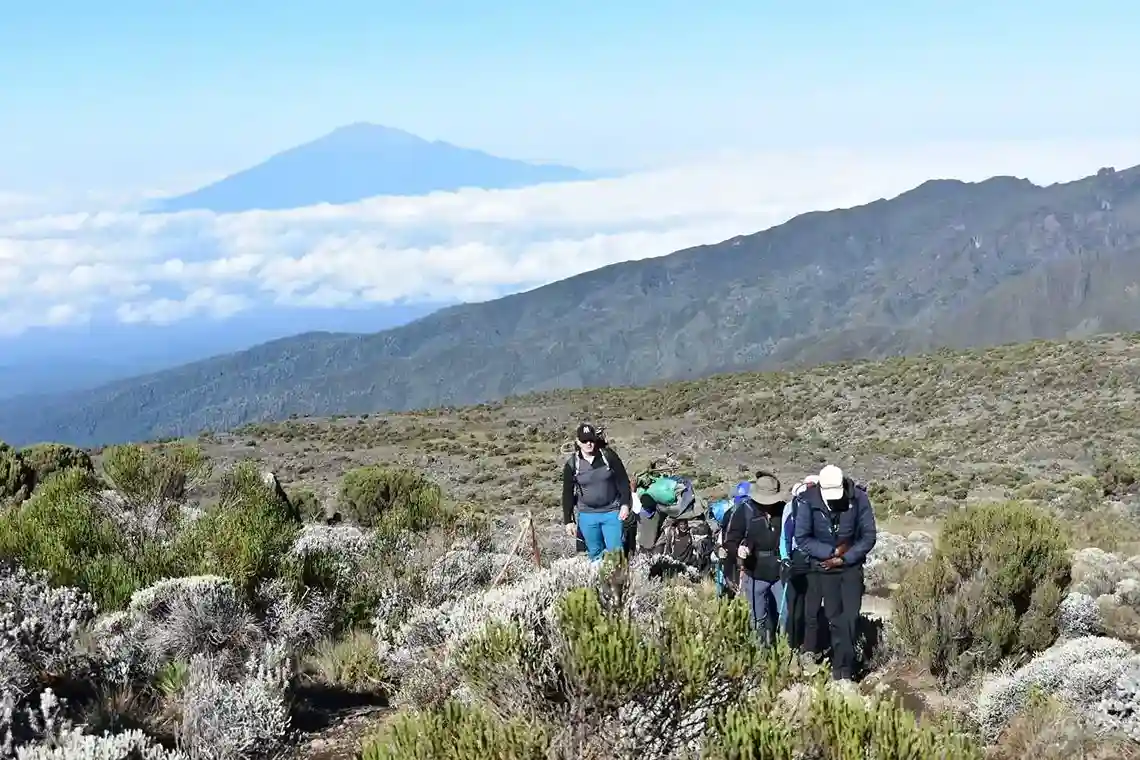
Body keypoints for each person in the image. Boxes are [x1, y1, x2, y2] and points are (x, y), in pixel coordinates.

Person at [793, 464, 877, 681]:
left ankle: (844, 670)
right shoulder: (807, 500)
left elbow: (868, 535)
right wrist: (829, 553)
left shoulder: (858, 499)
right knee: (834, 618)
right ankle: (838, 666)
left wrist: (844, 558)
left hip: (851, 568)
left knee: (849, 618)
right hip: (824, 569)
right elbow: (802, 537)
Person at [722, 472, 788, 646]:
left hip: (780, 573)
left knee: (785, 615)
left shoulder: (784, 510)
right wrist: (739, 550)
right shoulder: (745, 511)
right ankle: (761, 655)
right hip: (755, 572)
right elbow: (730, 541)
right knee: (757, 618)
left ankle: (784, 651)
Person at [562, 423, 632, 561]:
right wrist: (568, 520)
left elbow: (623, 481)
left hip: (612, 512)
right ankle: (599, 580)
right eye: (584, 441)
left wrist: (625, 504)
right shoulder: (572, 464)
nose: (589, 444)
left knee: (616, 554)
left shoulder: (608, 456)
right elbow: (567, 493)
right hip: (587, 515)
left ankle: (618, 581)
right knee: (594, 554)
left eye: (591, 440)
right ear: (578, 442)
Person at [778, 475, 818, 651]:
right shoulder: (792, 507)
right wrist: (785, 558)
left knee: (809, 607)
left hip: (812, 560)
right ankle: (792, 644)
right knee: (794, 606)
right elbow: (784, 536)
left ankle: (805, 646)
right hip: (798, 559)